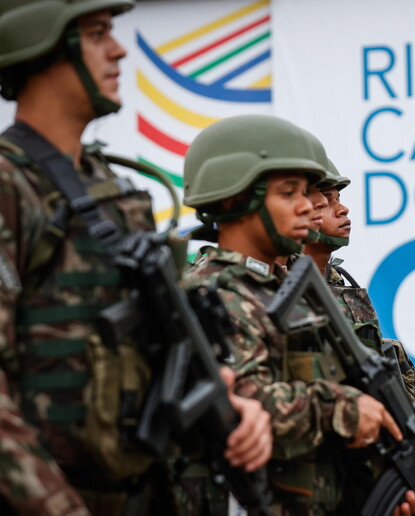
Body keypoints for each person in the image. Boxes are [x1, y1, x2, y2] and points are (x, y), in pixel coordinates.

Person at [0, 1, 271, 514]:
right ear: (42, 43)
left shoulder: (117, 193)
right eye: (98, 33)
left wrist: (234, 408)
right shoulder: (11, 187)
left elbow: (163, 349)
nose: (119, 49)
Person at [181, 114, 415, 516]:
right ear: (233, 198)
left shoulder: (294, 290)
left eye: (308, 192)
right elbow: (235, 405)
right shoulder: (212, 292)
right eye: (289, 192)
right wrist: (342, 408)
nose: (308, 206)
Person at [303, 162, 415, 398]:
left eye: (338, 199)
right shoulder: (275, 283)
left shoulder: (338, 280)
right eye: (327, 201)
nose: (342, 209)